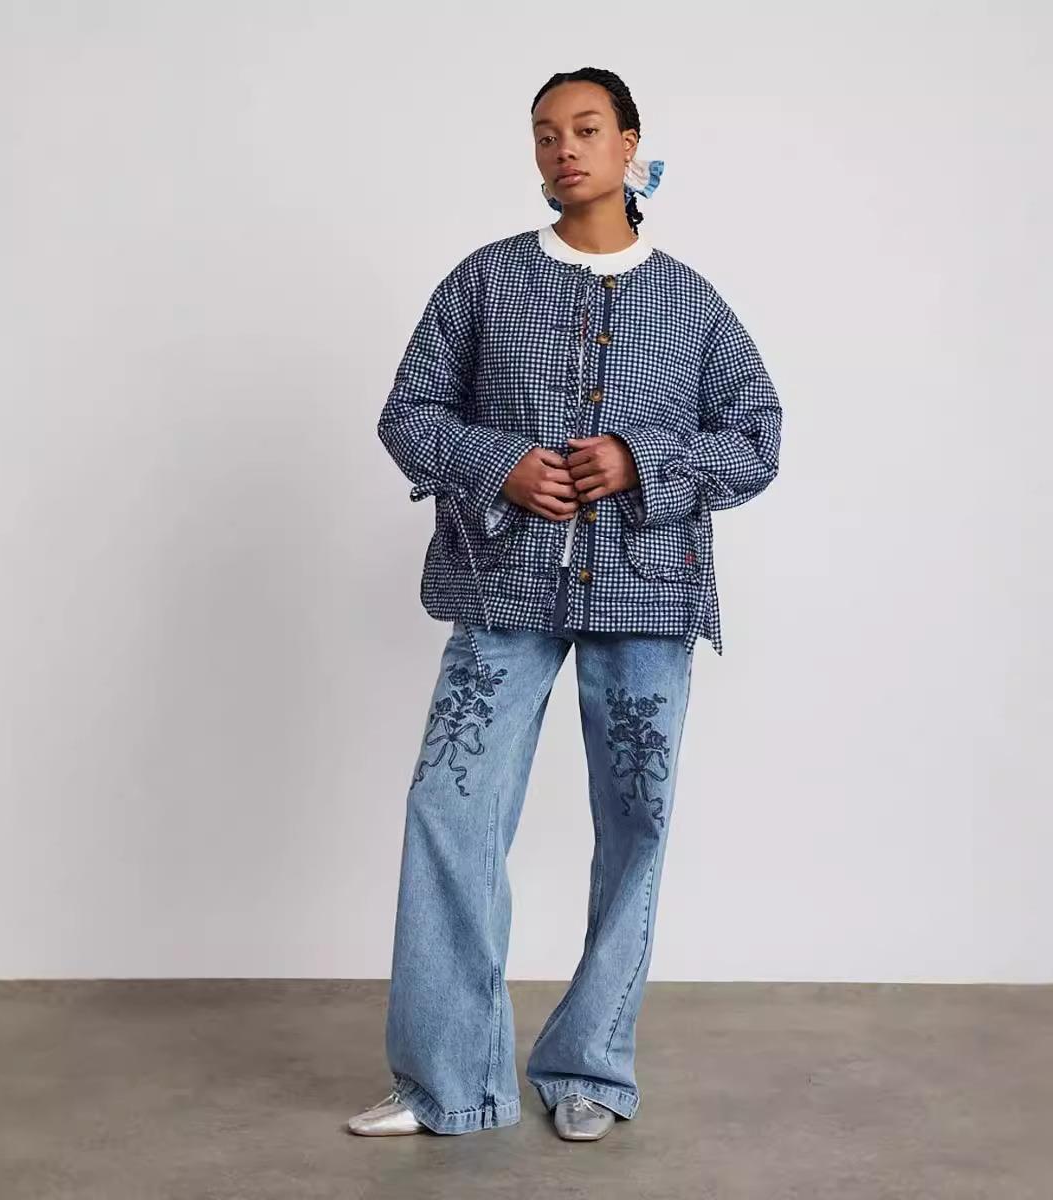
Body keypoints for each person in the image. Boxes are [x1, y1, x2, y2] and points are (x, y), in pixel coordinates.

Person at [346, 67, 782, 1141]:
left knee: (636, 825)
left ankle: (590, 1068)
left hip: (647, 593)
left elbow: (757, 435)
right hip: (504, 587)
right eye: (545, 134)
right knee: (451, 810)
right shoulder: (484, 282)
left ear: (631, 144)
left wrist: (642, 461)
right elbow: (409, 412)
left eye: (586, 129)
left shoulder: (691, 303)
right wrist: (496, 464)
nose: (564, 150)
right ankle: (449, 1082)